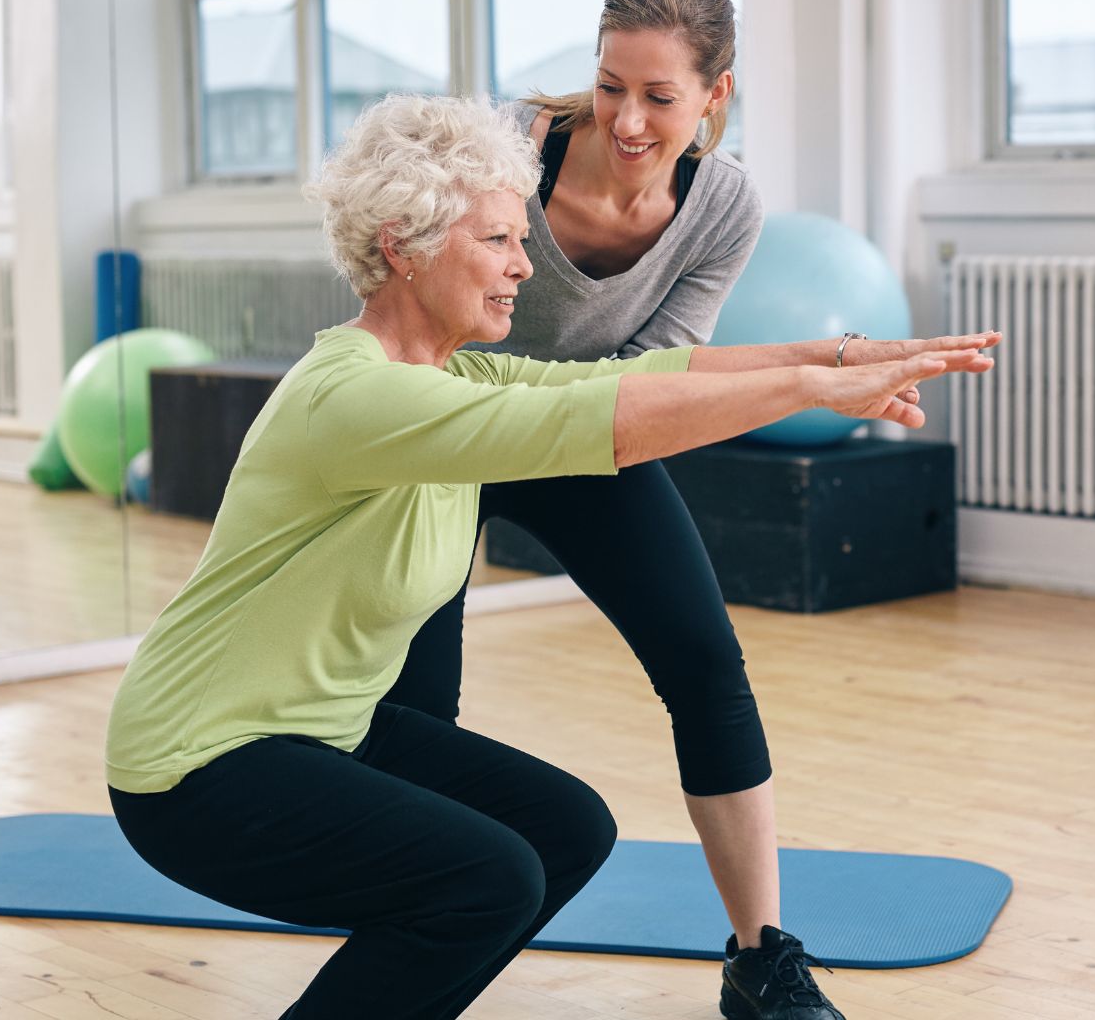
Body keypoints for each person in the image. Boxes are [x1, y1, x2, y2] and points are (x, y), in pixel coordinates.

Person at [104, 92, 997, 1020]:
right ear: (402, 244)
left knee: (563, 831)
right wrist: (808, 391)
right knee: (483, 878)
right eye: (497, 241)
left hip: (321, 729)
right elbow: (597, 421)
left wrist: (837, 357)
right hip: (197, 764)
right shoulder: (355, 398)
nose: (526, 268)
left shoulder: (456, 370)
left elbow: (636, 376)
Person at [385, 0, 950, 1017]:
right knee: (418, 704)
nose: (629, 120)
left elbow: (658, 378)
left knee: (704, 662)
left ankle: (761, 958)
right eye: (610, 87)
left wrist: (821, 372)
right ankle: (413, 926)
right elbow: (409, 302)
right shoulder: (508, 152)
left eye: (659, 96)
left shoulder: (722, 205)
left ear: (714, 96)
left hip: (591, 432)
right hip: (454, 430)